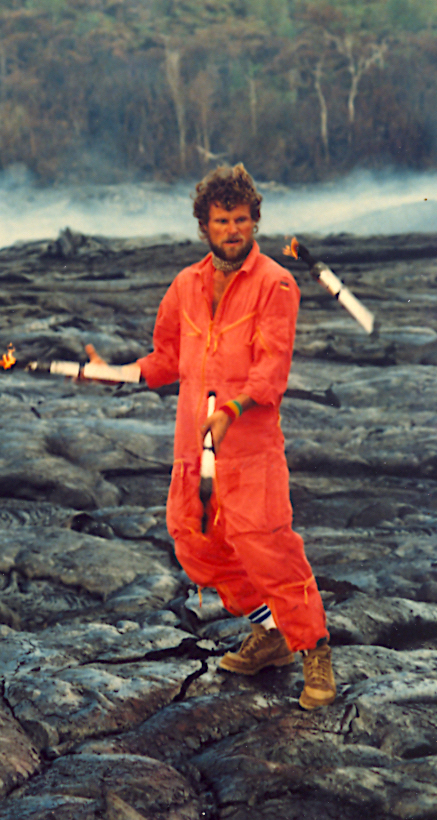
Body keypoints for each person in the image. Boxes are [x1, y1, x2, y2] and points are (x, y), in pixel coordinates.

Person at [85, 164, 335, 710]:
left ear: (254, 221)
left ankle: (314, 650)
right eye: (222, 221)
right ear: (205, 225)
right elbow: (166, 359)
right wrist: (115, 373)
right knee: (195, 541)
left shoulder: (276, 283)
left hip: (249, 449)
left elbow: (272, 369)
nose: (233, 230)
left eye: (241, 219)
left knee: (268, 548)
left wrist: (232, 411)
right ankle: (270, 633)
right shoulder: (185, 285)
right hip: (191, 445)